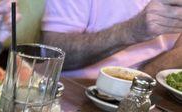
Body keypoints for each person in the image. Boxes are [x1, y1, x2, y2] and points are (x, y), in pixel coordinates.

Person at [41, 0, 182, 79]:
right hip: (80, 94)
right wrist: (131, 31)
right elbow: (51, 54)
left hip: (151, 96)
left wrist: (146, 75)